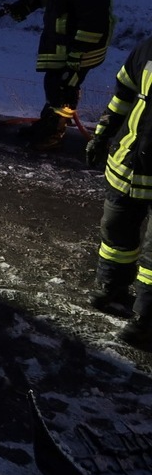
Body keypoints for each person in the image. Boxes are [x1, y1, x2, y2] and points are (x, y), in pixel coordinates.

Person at [0, 0, 113, 151]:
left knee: (64, 87)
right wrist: (23, 7)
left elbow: (93, 24)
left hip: (82, 47)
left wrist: (77, 54)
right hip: (63, 43)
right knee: (53, 83)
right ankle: (46, 125)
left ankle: (53, 133)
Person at [84, 35, 152, 350]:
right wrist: (102, 134)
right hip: (128, 162)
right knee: (114, 231)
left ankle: (145, 320)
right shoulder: (148, 48)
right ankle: (112, 287)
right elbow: (123, 95)